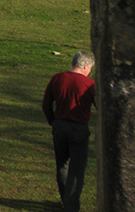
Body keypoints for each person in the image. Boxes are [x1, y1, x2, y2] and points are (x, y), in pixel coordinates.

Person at [42, 51, 96, 212]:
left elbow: (46, 104)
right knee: (77, 169)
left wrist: (53, 121)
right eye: (90, 68)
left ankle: (66, 199)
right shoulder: (89, 84)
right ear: (85, 65)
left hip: (59, 126)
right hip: (78, 128)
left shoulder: (57, 78)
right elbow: (100, 105)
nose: (90, 71)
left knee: (62, 165)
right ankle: (72, 206)